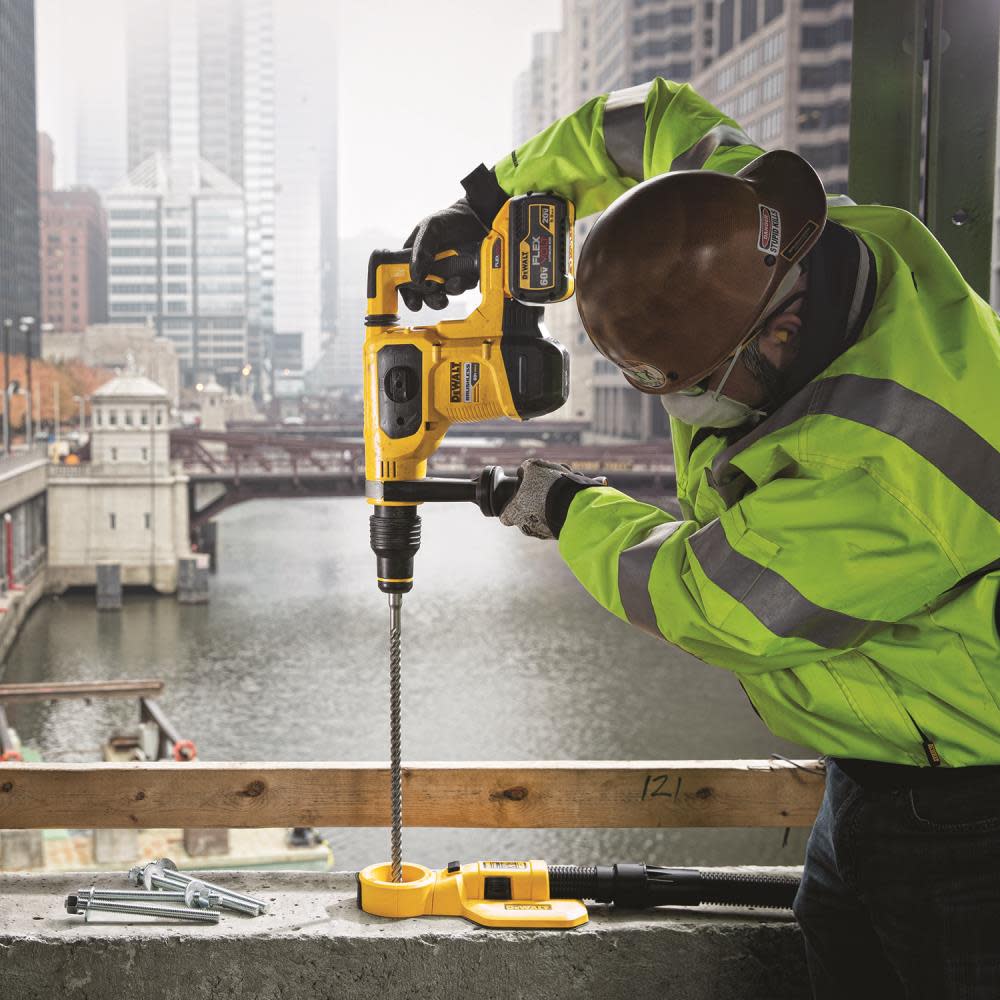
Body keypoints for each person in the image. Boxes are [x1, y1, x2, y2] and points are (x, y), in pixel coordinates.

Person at [402, 79, 1000, 998]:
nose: (683, 417)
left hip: (963, 807)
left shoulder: (877, 470)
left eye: (681, 390)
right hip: (879, 770)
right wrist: (486, 203)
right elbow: (640, 120)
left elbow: (706, 599)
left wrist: (567, 508)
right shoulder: (753, 233)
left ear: (775, 336)